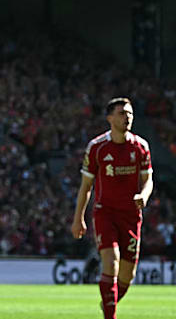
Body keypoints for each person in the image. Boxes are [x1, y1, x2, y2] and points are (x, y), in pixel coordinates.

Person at [71, 97, 153, 319]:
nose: (127, 117)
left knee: (127, 276)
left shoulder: (141, 147)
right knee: (111, 261)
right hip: (105, 212)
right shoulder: (97, 148)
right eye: (122, 113)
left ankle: (108, 303)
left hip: (131, 216)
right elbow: (86, 186)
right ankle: (110, 316)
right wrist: (78, 218)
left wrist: (144, 195)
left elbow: (148, 180)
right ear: (109, 118)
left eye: (130, 114)